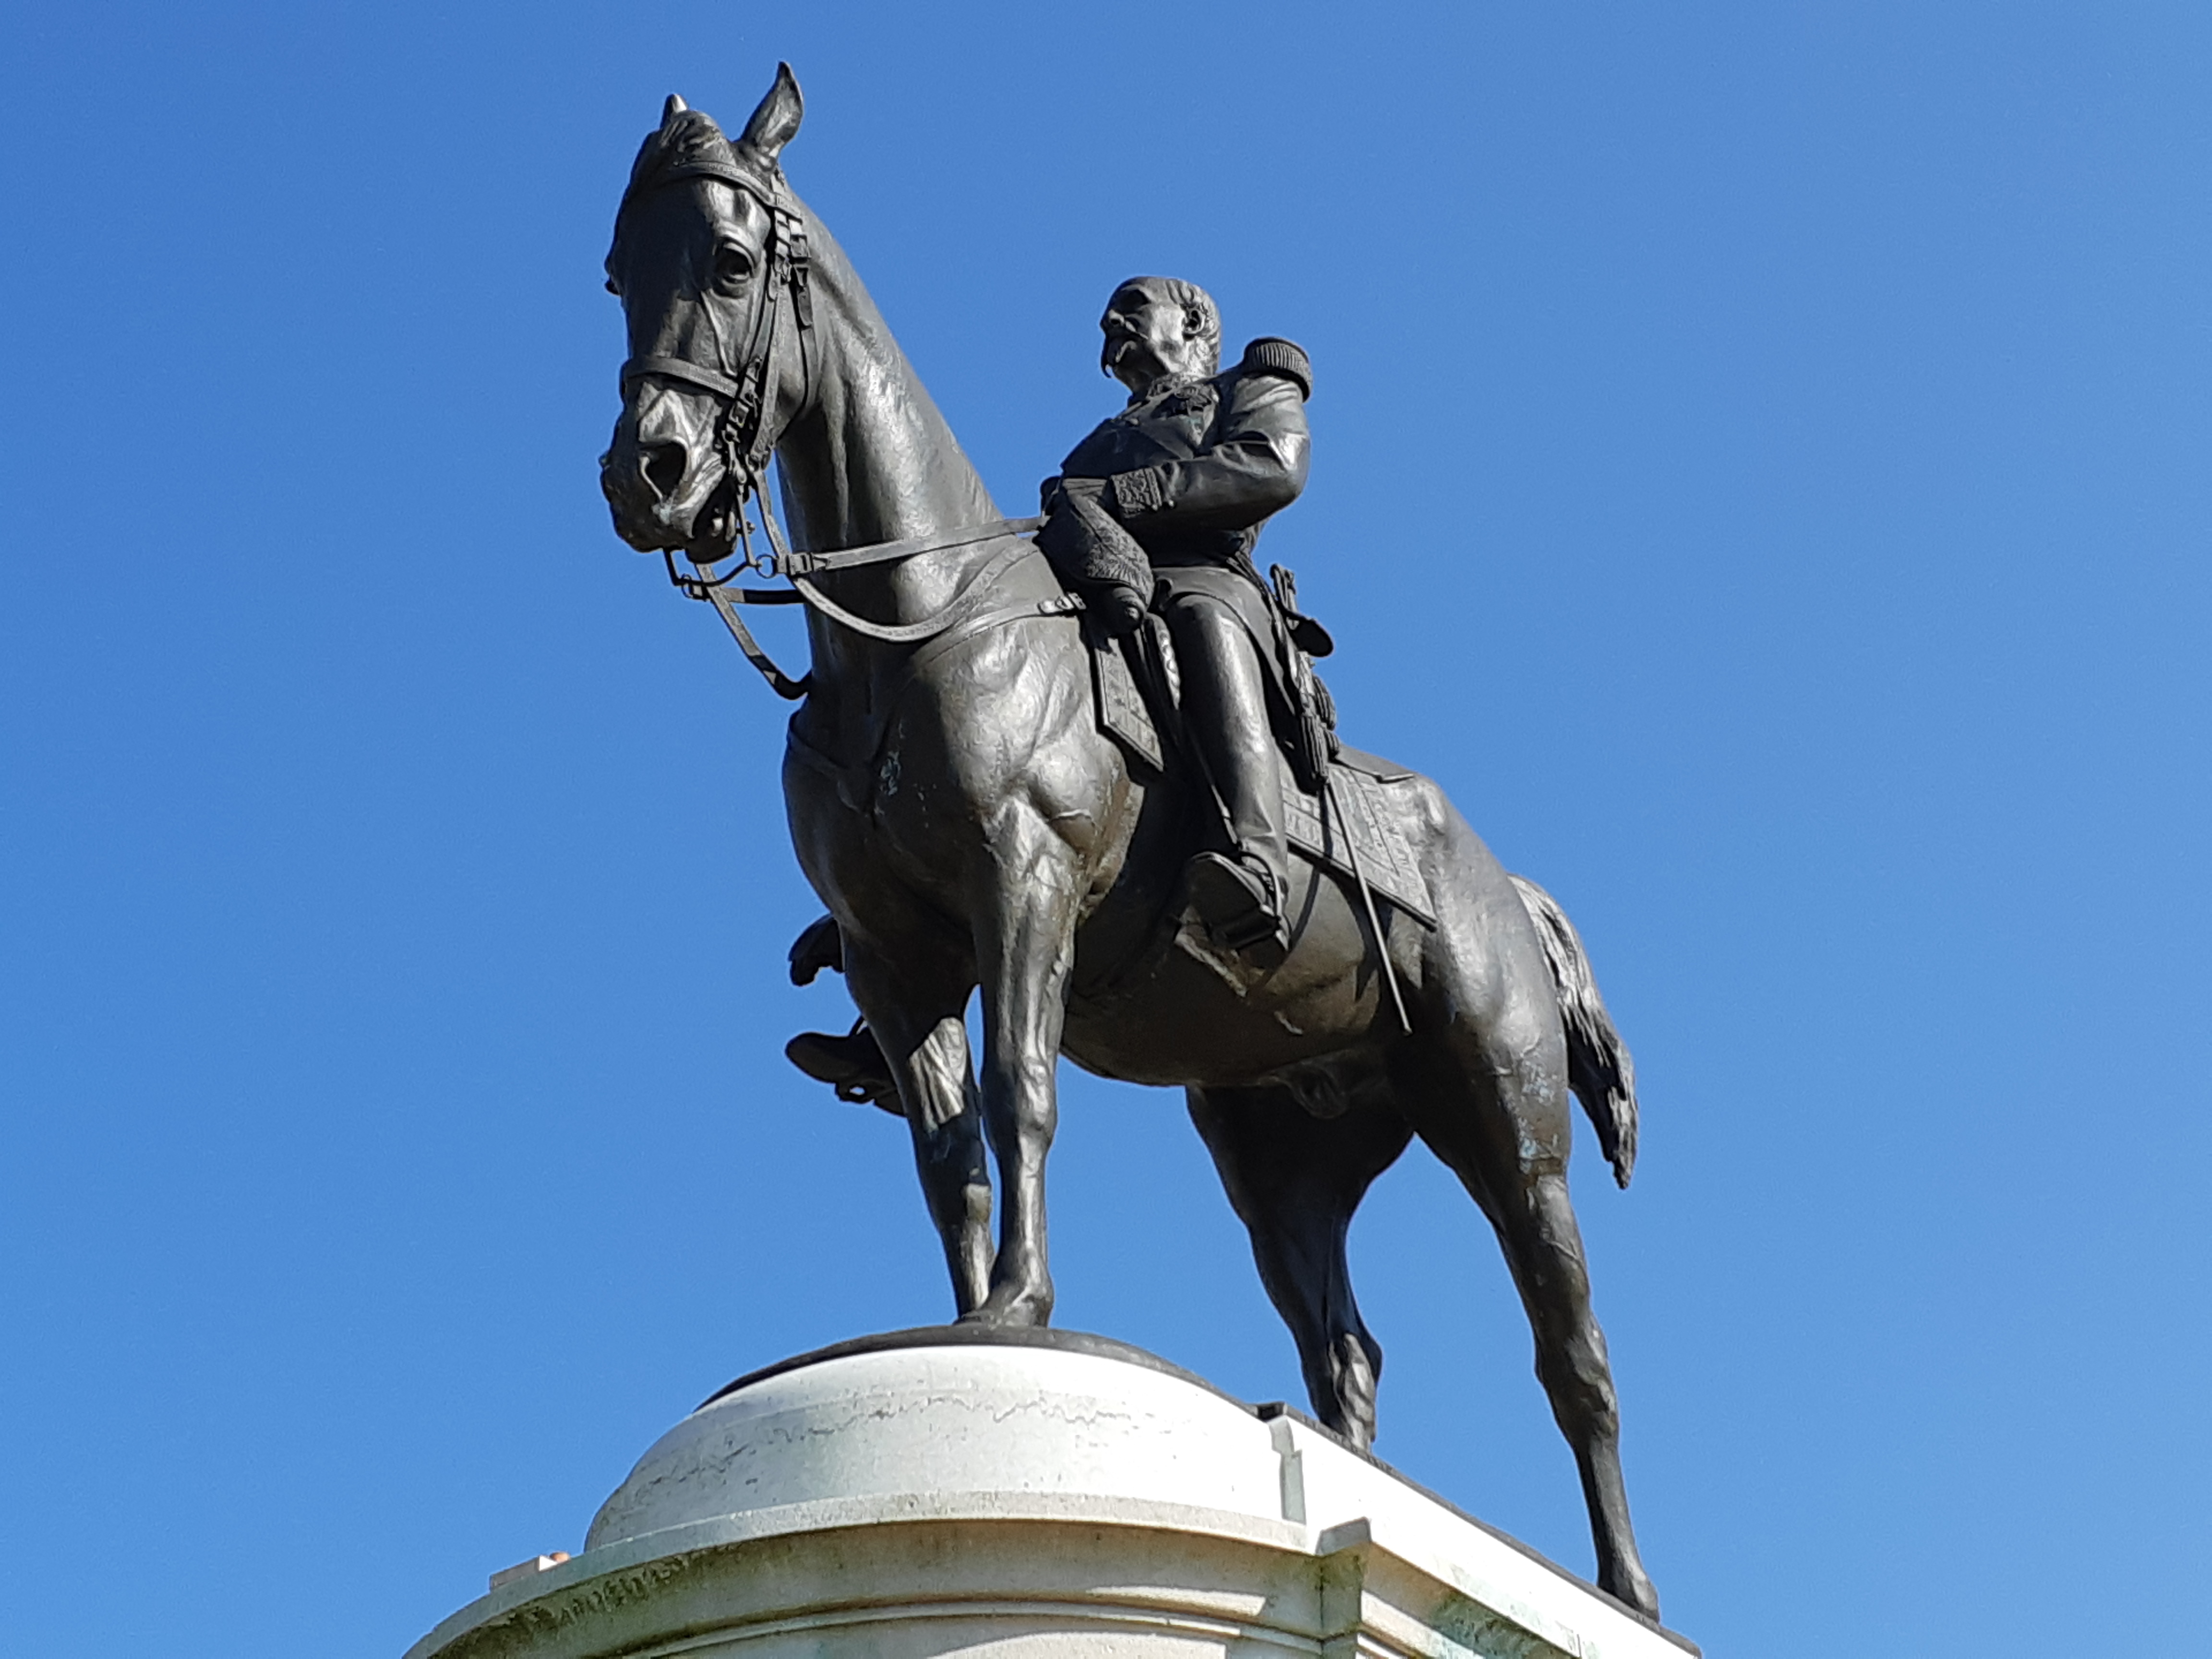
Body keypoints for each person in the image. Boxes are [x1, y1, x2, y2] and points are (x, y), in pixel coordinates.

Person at [786, 277, 1316, 1104]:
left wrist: (1121, 498)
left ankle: (1256, 857)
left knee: (1207, 620)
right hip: (1107, 597)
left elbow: (1271, 468)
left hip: (1206, 579)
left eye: (1133, 306)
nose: (1111, 322)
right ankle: (899, 940)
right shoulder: (1096, 442)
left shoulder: (1249, 384)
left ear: (1194, 321)